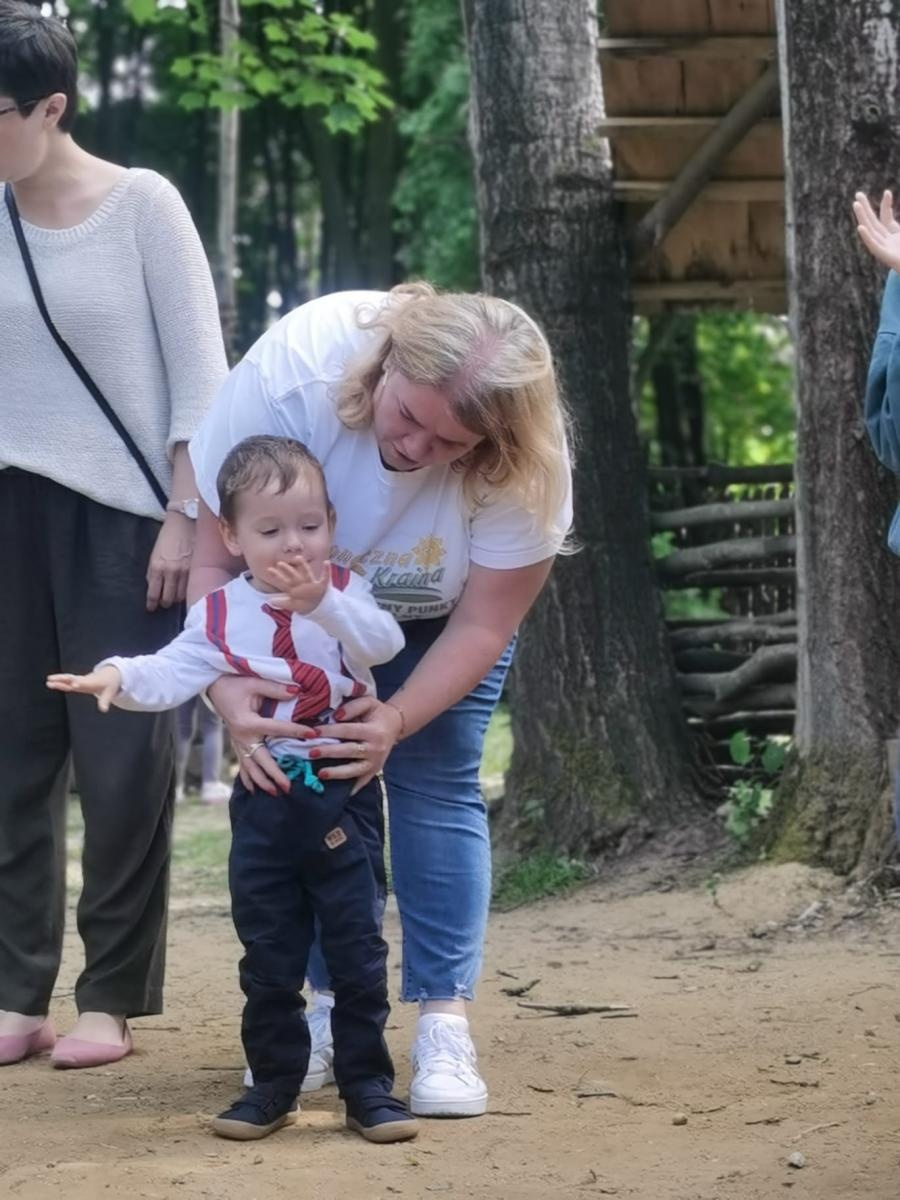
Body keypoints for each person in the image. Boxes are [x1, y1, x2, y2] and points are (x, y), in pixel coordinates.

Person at [187, 283, 573, 1117]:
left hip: (439, 618)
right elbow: (213, 558)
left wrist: (395, 716)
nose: (412, 447)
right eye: (405, 416)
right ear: (386, 364)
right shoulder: (293, 375)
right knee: (316, 795)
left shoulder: (528, 466)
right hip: (298, 624)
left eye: (449, 440)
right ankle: (328, 1014)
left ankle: (443, 1019)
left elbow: (485, 622)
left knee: (435, 781)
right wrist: (227, 688)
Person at [47, 434, 418, 1144]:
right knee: (269, 952)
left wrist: (323, 605)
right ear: (232, 535)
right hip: (266, 802)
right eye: (271, 530)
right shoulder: (218, 612)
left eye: (310, 527)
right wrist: (115, 678)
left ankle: (369, 1088)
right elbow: (172, 669)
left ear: (331, 526)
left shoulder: (345, 592)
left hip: (343, 796)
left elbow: (382, 646)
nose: (294, 545)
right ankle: (273, 1085)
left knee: (357, 950)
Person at [0, 2, 227, 1069]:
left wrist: (187, 516)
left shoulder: (142, 205)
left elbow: (202, 380)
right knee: (9, 760)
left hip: (128, 521)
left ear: (53, 107)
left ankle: (110, 998)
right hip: (6, 513)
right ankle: (14, 991)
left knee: (124, 760)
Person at [175, 698, 231, 804]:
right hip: (207, 681)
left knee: (182, 727)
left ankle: (175, 788)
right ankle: (210, 786)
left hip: (184, 681)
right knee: (212, 725)